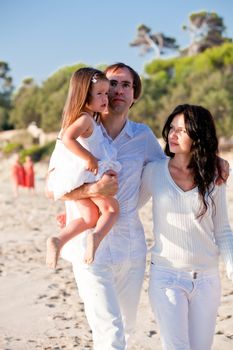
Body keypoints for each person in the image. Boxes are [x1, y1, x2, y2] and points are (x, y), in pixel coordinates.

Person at [47, 64, 229, 350]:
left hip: (131, 249)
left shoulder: (143, 138)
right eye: (112, 84)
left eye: (125, 85)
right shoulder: (78, 131)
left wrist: (215, 160)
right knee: (110, 332)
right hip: (89, 247)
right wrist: (92, 192)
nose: (118, 91)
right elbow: (52, 187)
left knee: (128, 328)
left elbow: (172, 168)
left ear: (135, 95)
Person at [139, 104, 233, 350]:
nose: (173, 134)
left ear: (198, 135)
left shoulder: (214, 174)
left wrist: (232, 267)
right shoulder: (153, 172)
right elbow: (127, 208)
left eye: (181, 130)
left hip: (207, 279)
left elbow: (222, 229)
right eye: (171, 128)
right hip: (167, 276)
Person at [46, 67, 121, 269]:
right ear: (84, 96)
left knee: (89, 217)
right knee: (112, 209)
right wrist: (88, 158)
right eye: (100, 94)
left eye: (106, 93)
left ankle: (58, 241)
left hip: (80, 179)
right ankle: (96, 238)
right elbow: (67, 138)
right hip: (87, 177)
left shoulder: (88, 119)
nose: (106, 97)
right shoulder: (85, 119)